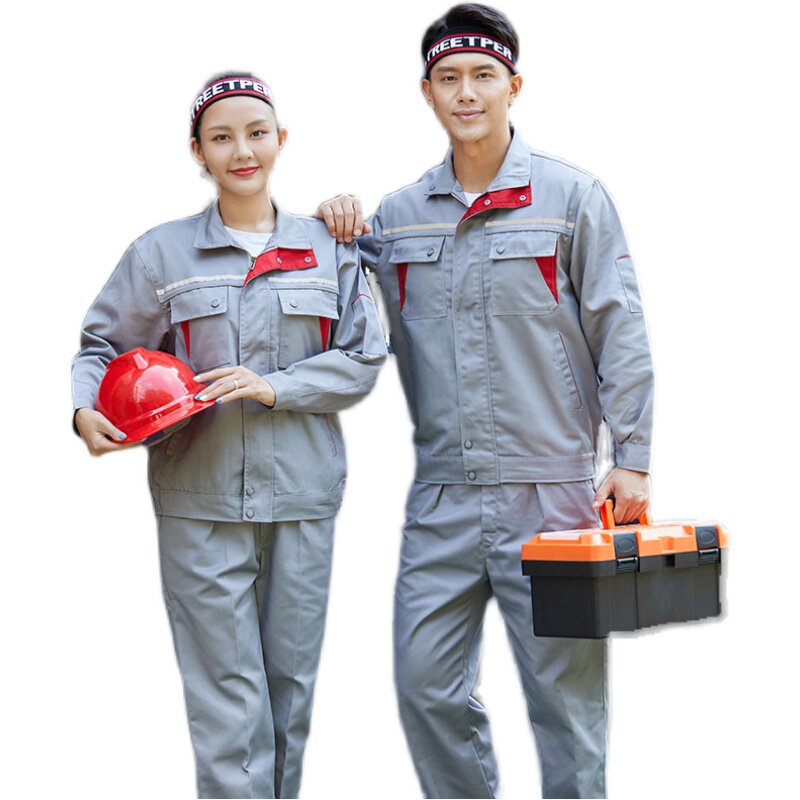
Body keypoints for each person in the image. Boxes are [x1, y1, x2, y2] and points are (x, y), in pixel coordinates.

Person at [317, 4, 653, 798]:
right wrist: (334, 228)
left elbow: (621, 330)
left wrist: (633, 457)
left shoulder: (573, 198)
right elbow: (336, 315)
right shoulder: (397, 219)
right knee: (423, 686)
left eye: (482, 76)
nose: (465, 92)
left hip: (553, 493)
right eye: (448, 78)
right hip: (442, 494)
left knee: (566, 704)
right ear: (427, 92)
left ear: (514, 86)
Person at [72, 73, 387, 799]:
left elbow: (364, 357)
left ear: (281, 139)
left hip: (302, 497)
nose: (242, 150)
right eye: (221, 137)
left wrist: (277, 386)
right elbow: (102, 347)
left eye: (256, 133)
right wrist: (86, 409)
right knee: (227, 700)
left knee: (289, 692)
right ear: (198, 151)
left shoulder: (329, 246)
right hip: (200, 499)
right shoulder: (160, 254)